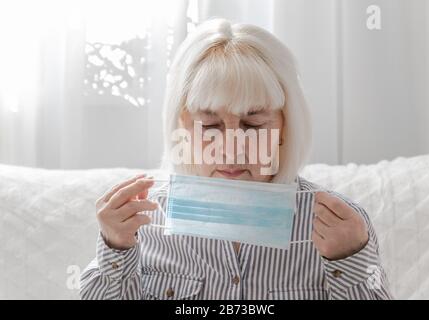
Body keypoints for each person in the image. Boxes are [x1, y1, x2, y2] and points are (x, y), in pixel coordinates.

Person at [80, 18, 392, 300]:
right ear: (185, 125)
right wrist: (115, 248)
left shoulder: (340, 227)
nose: (231, 148)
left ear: (286, 126)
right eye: (211, 125)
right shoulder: (142, 222)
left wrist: (349, 259)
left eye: (254, 125)